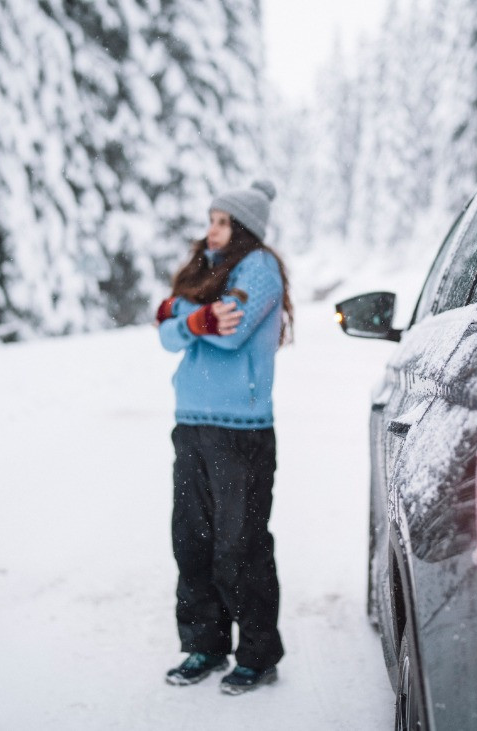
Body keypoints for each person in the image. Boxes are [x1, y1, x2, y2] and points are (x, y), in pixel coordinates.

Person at [155, 180, 294, 695]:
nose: (210, 229)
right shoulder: (204, 270)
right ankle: (204, 646)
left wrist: (182, 315)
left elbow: (230, 330)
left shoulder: (258, 268)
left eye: (221, 221)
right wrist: (193, 318)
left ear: (244, 228)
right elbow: (167, 332)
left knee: (241, 546)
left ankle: (257, 655)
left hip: (242, 432)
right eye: (210, 219)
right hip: (190, 422)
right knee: (191, 541)